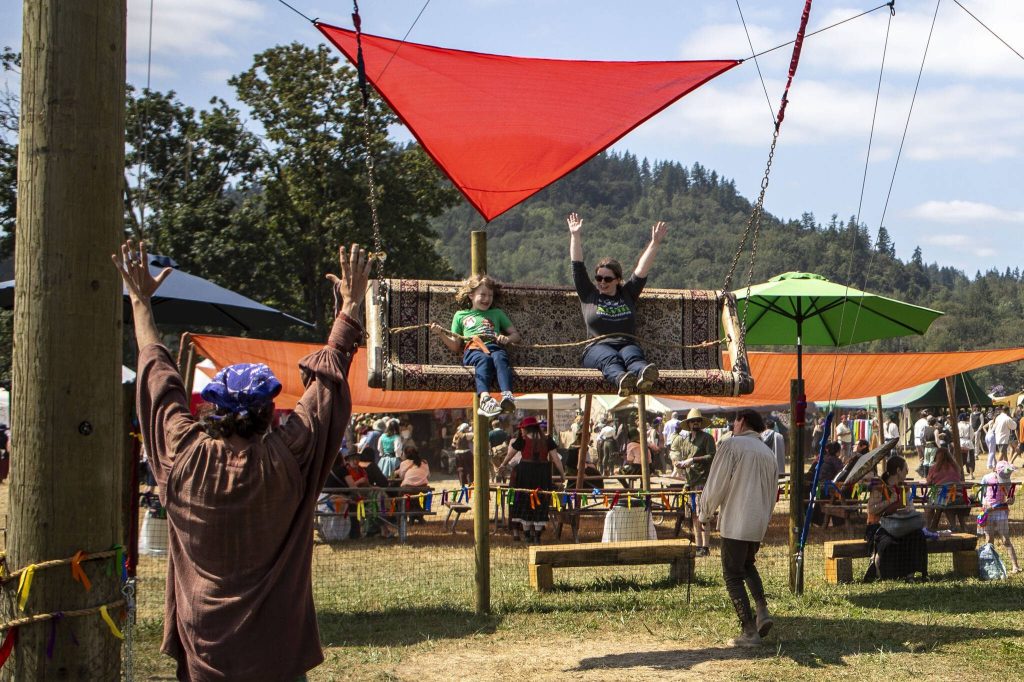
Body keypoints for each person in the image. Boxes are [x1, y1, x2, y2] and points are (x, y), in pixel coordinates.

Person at [119, 239, 369, 680]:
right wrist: (348, 308)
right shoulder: (289, 455)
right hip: (277, 649)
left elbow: (158, 378)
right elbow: (325, 387)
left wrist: (141, 304)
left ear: (213, 409)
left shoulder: (182, 454)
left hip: (202, 646)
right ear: (269, 410)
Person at [697, 409, 777, 647]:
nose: (733, 424)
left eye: (734, 420)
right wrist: (765, 518)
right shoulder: (767, 452)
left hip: (737, 522)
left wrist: (705, 511)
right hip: (756, 522)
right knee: (747, 565)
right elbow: (773, 493)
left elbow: (716, 482)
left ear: (742, 421)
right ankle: (762, 610)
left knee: (732, 575)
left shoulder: (732, 445)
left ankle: (749, 631)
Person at [567, 211, 667, 397]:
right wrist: (575, 235)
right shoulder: (589, 294)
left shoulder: (627, 293)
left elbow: (641, 271)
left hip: (626, 344)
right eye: (599, 278)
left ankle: (644, 375)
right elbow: (577, 266)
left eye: (607, 279)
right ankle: (622, 380)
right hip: (596, 349)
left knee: (634, 357)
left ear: (617, 280)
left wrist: (655, 243)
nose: (602, 282)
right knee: (611, 359)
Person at [431, 275, 522, 417]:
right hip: (474, 350)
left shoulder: (497, 313)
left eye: (490, 295)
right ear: (471, 295)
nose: (487, 299)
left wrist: (507, 338)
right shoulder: (460, 315)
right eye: (483, 295)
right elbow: (456, 346)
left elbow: (516, 336)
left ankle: (507, 395)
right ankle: (485, 398)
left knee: (500, 358)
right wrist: (441, 334)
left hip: (494, 346)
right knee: (484, 360)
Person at [499, 416, 565, 543]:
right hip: (542, 474)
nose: (521, 431)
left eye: (522, 428)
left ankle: (528, 534)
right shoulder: (547, 439)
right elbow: (555, 458)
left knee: (525, 500)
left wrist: (502, 465)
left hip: (525, 473)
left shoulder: (522, 440)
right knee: (540, 500)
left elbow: (510, 455)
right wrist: (562, 474)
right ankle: (537, 535)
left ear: (527, 428)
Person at [863, 455, 928, 582]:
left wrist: (908, 511)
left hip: (902, 524)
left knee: (917, 536)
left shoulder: (905, 488)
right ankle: (881, 571)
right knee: (889, 543)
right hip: (880, 527)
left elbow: (910, 507)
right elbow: (872, 510)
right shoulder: (879, 487)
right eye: (905, 470)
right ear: (898, 470)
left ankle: (911, 574)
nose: (907, 472)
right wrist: (890, 501)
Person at [673, 409, 717, 556]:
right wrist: (680, 464)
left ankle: (705, 547)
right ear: (689, 424)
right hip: (690, 482)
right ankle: (698, 546)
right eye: (693, 421)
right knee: (693, 516)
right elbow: (685, 458)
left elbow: (712, 456)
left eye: (698, 420)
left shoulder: (707, 438)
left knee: (703, 515)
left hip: (703, 482)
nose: (695, 423)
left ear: (701, 423)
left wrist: (693, 460)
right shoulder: (686, 441)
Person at [977, 462, 1021, 573]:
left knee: (1006, 540)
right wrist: (985, 503)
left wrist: (1011, 500)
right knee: (989, 540)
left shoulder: (1006, 480)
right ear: (995, 471)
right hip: (988, 512)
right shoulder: (986, 478)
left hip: (1001, 512)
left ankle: (1015, 565)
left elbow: (1011, 496)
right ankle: (990, 565)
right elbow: (979, 494)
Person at [925, 446, 966, 532]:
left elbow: (929, 482)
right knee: (948, 503)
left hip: (942, 497)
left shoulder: (934, 468)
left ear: (936, 457)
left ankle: (928, 527)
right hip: (958, 496)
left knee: (930, 505)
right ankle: (958, 526)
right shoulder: (956, 467)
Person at [957, 412, 975, 477]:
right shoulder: (969, 425)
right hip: (968, 442)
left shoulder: (957, 425)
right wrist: (970, 440)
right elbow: (972, 434)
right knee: (970, 459)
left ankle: (959, 474)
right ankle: (971, 474)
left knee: (959, 459)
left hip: (959, 442)